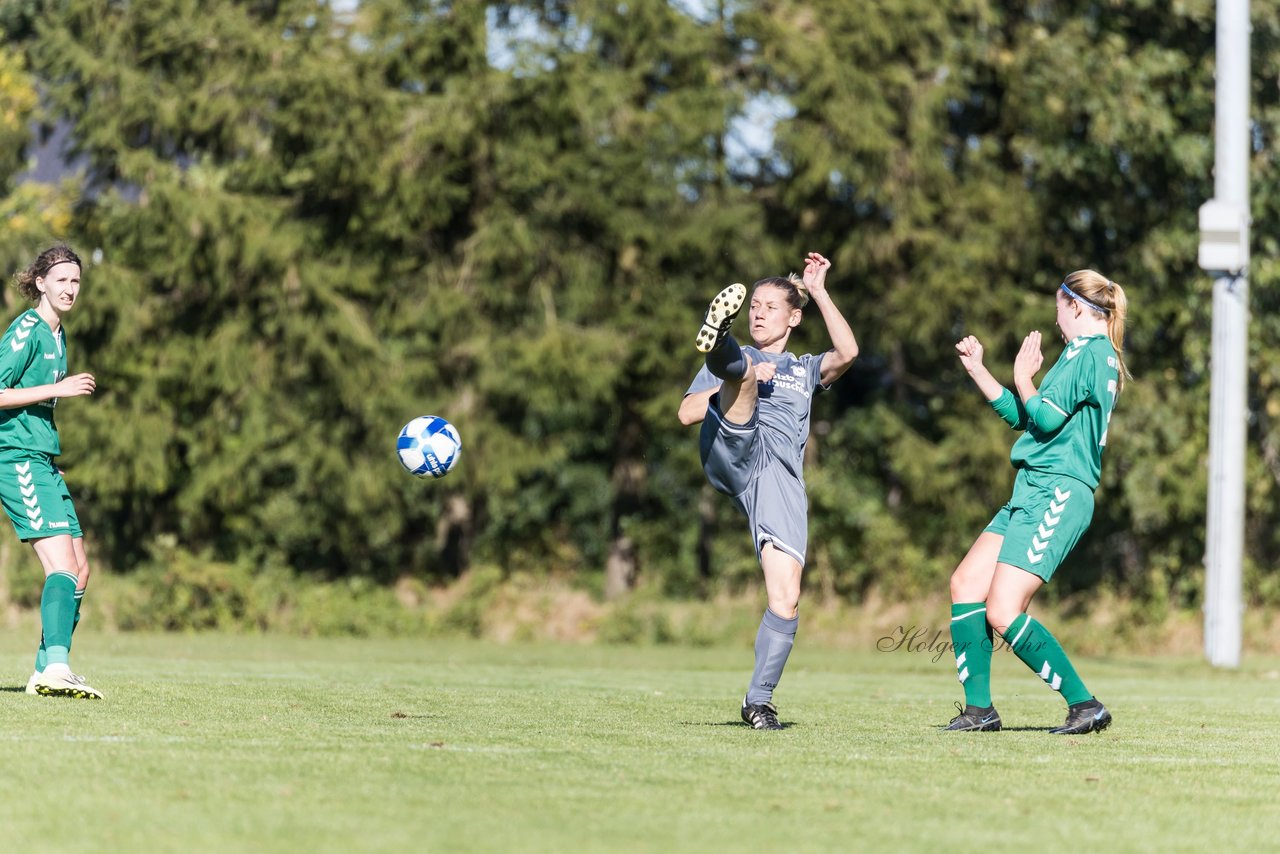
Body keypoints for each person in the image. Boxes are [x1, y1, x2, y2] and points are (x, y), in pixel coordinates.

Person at [679, 253, 858, 730]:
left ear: (793, 318)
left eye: (768, 307)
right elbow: (686, 412)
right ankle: (720, 344)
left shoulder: (804, 369)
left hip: (777, 478)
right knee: (743, 376)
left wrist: (819, 291)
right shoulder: (754, 358)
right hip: (733, 445)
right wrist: (743, 378)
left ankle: (758, 702)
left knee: (786, 598)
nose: (758, 312)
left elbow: (848, 353)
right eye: (753, 305)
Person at [945, 270, 1128, 734]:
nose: (1056, 321)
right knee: (966, 583)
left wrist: (1023, 376)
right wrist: (980, 372)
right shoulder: (1079, 353)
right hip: (1033, 488)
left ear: (1076, 307)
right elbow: (1027, 419)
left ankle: (1085, 705)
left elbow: (1043, 418)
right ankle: (979, 711)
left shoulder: (1093, 354)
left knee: (1003, 611)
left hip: (1059, 491)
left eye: (1058, 310)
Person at [2, 245, 102, 699]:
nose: (69, 289)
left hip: (44, 457)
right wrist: (57, 387)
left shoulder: (60, 334)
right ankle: (57, 667)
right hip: (16, 455)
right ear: (40, 282)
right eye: (61, 280)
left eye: (76, 281)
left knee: (79, 570)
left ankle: (46, 668)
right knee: (60, 565)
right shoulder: (27, 328)